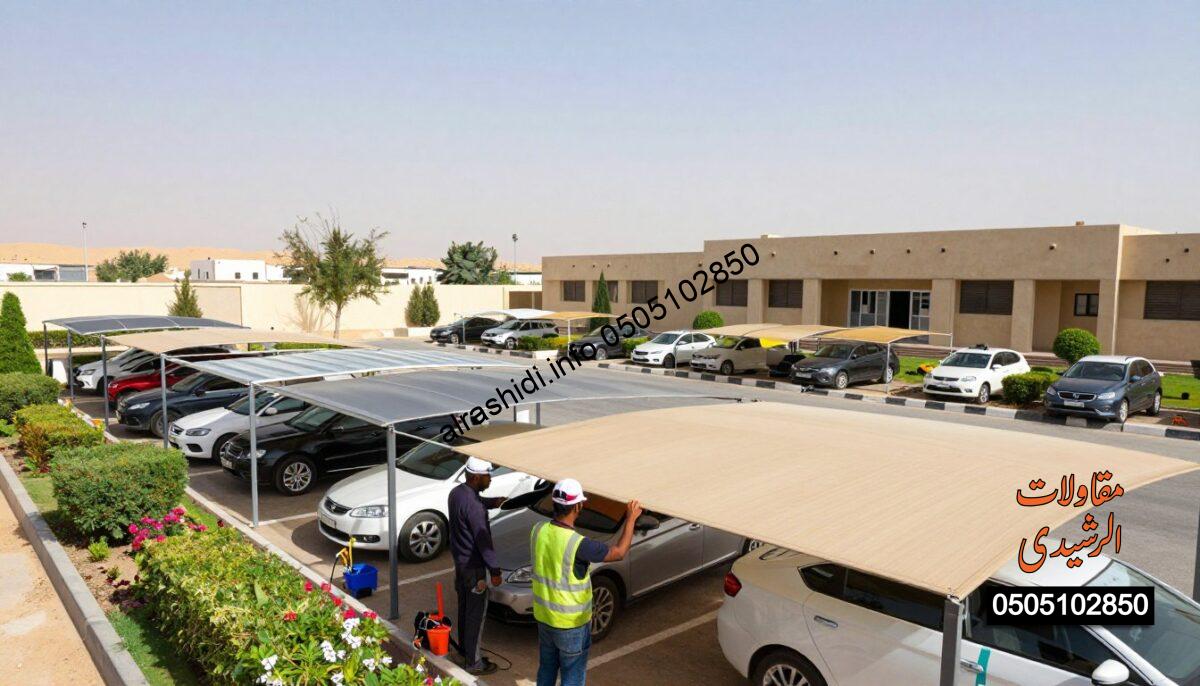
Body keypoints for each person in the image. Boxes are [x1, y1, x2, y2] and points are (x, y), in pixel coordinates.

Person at [533, 478, 641, 686]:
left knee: (546, 667)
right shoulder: (578, 544)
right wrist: (631, 519)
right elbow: (618, 552)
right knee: (572, 676)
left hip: (545, 618)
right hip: (571, 625)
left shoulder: (538, 530)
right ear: (578, 506)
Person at [447, 456, 507, 675]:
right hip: (475, 571)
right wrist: (495, 571)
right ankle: (474, 663)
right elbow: (484, 542)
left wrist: (493, 502)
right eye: (487, 475)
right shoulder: (475, 508)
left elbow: (473, 504)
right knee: (475, 615)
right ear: (476, 477)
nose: (490, 478)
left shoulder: (457, 493)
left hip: (461, 566)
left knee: (464, 611)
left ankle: (465, 651)